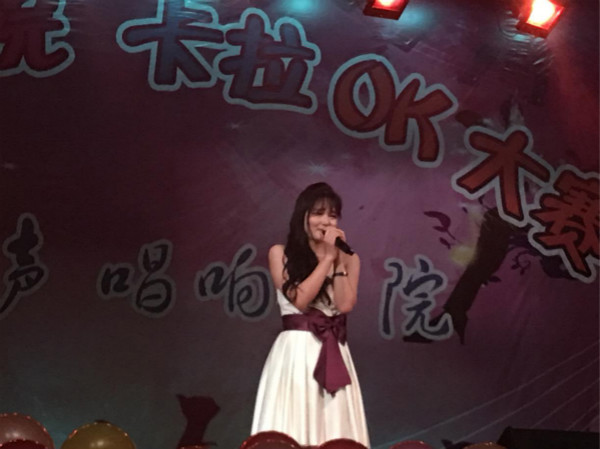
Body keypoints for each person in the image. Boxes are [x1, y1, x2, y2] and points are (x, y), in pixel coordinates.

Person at [251, 182, 370, 448]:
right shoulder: (281, 254)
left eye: (332, 215)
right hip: (297, 352)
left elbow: (345, 304)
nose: (326, 221)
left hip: (335, 351)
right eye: (318, 213)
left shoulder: (349, 258)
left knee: (335, 429)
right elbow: (300, 300)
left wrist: (337, 261)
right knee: (293, 426)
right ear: (302, 216)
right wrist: (326, 259)